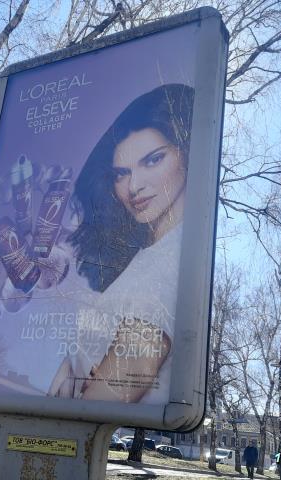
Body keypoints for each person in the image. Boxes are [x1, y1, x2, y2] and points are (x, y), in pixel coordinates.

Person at [48, 84, 195, 403]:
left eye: (153, 160)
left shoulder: (171, 267)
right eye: (120, 174)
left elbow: (104, 402)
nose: (134, 186)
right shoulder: (147, 255)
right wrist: (74, 366)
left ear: (186, 151)